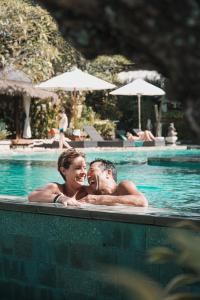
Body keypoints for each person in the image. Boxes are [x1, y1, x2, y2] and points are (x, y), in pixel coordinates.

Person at [28, 150, 147, 207]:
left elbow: (141, 201)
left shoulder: (89, 191)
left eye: (86, 168)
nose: (84, 173)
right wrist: (60, 198)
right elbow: (33, 196)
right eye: (79, 168)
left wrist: (95, 199)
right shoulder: (56, 188)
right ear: (63, 170)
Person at [81, 159, 148, 207]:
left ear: (108, 173)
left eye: (92, 171)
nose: (88, 176)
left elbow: (142, 201)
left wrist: (97, 199)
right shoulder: (90, 191)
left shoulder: (122, 187)